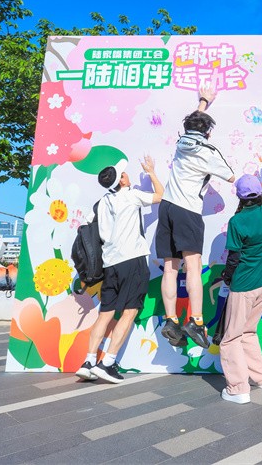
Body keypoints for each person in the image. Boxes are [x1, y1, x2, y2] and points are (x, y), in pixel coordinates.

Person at [155, 86, 235, 349]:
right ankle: (196, 321)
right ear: (208, 132)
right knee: (193, 265)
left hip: (167, 207)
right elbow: (232, 177)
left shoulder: (182, 142)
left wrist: (203, 102)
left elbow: (193, 124)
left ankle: (170, 320)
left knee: (170, 267)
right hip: (187, 210)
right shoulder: (208, 151)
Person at [76, 156, 164, 383]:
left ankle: (89, 361)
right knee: (130, 311)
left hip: (110, 263)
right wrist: (151, 172)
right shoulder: (132, 195)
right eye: (124, 174)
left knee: (105, 314)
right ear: (122, 181)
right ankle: (108, 362)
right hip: (132, 260)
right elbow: (160, 195)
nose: (127, 175)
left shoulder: (102, 203)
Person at [218, 144, 262, 404]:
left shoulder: (237, 222)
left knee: (230, 338)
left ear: (239, 197)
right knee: (248, 332)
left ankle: (238, 389)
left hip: (243, 286)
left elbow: (233, 258)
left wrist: (227, 278)